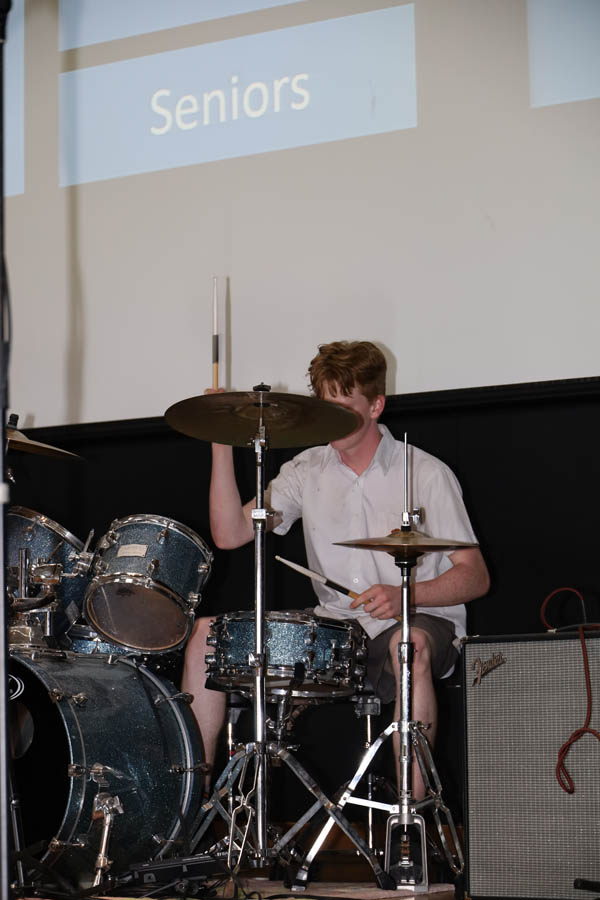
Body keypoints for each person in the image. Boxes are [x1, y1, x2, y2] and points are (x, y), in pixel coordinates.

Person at [182, 340, 489, 802]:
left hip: (415, 621)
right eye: (327, 406)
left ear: (376, 405)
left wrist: (408, 596)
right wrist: (221, 442)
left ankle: (412, 812)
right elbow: (229, 533)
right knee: (207, 635)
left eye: (345, 405)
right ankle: (194, 802)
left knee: (410, 646)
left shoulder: (425, 473)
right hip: (338, 630)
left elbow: (475, 576)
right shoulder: (307, 470)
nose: (333, 418)